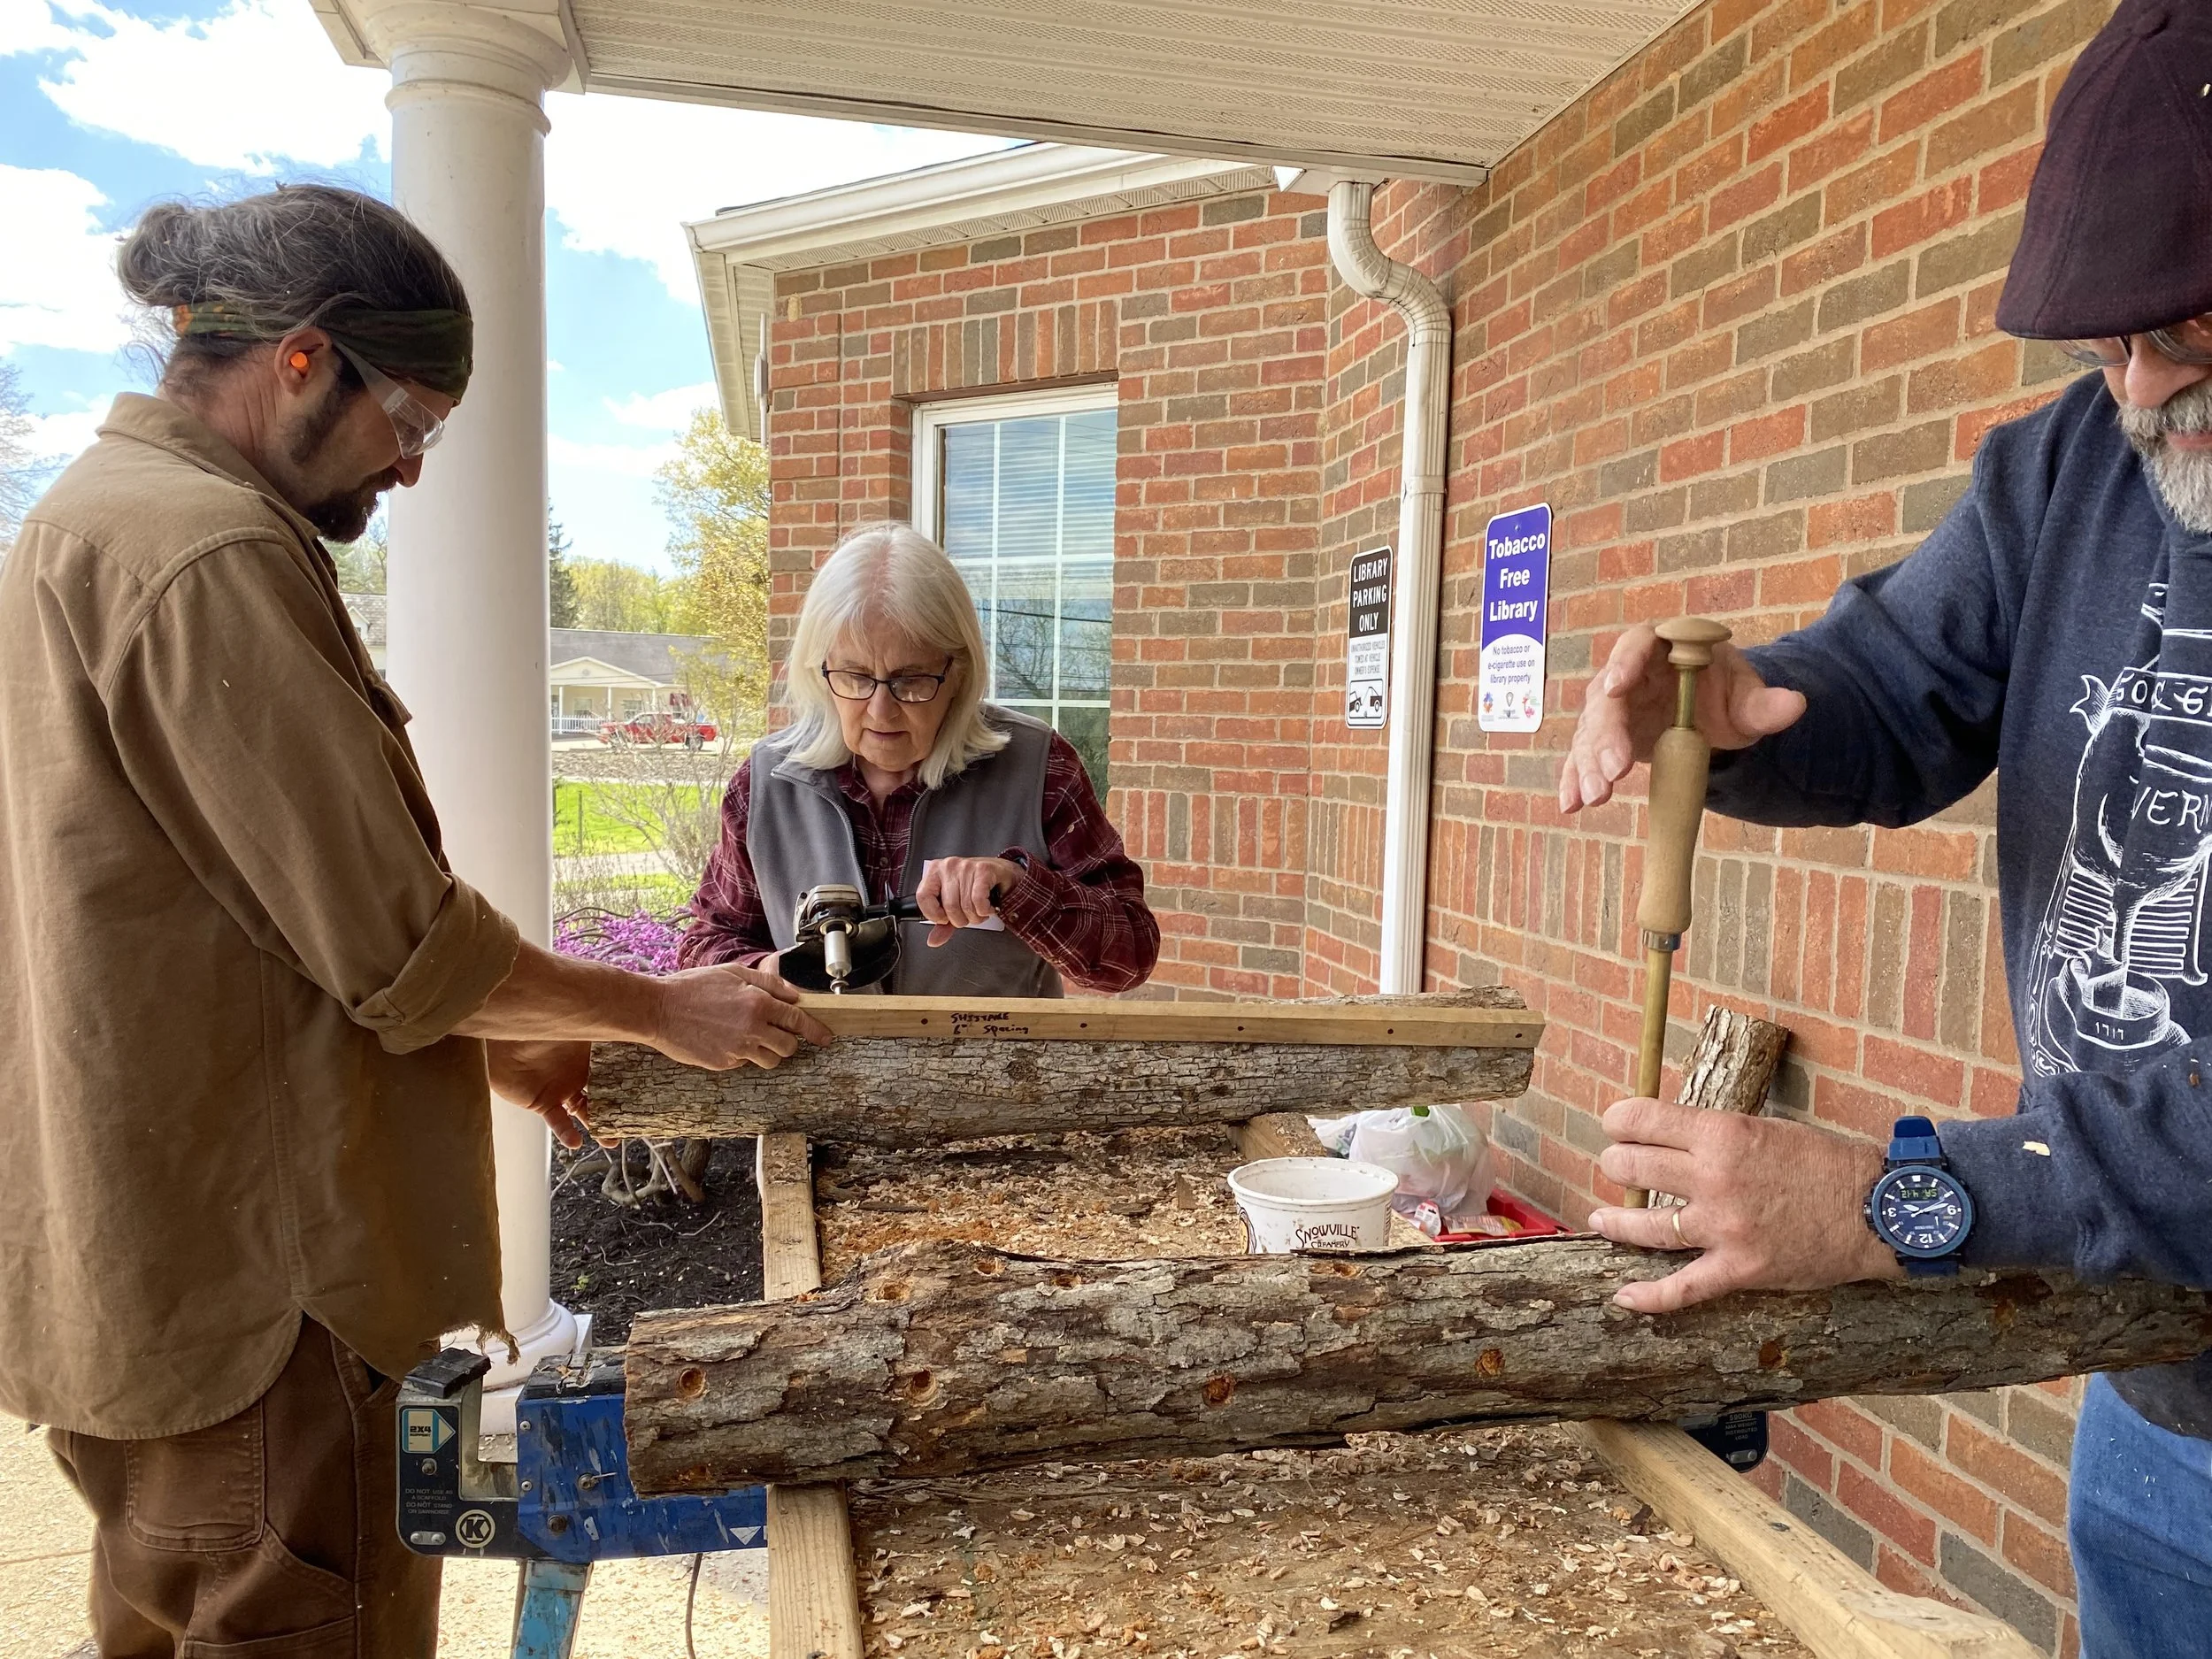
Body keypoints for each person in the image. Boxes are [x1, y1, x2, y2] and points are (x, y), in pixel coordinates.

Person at [0, 185, 832, 1655]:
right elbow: (393, 943)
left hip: (140, 1272)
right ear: (304, 360)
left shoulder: (82, 525)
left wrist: (484, 1047)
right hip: (263, 1308)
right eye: (412, 420)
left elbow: (219, 923)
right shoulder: (210, 559)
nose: (414, 468)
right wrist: (661, 1010)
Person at [1557, 4, 2212, 1651]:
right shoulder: (2080, 466)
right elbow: (1904, 679)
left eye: (2188, 337)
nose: (2139, 394)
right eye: (2106, 345)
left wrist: (1900, 1200)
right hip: (2159, 1399)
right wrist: (1749, 712)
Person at [683, 521, 1158, 995]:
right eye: (854, 677)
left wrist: (1017, 887)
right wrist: (773, 971)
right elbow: (705, 943)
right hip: (821, 1067)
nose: (880, 710)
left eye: (911, 681)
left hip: (993, 1067)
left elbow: (1130, 956)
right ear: (819, 667)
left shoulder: (1039, 768)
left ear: (959, 672)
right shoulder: (766, 783)